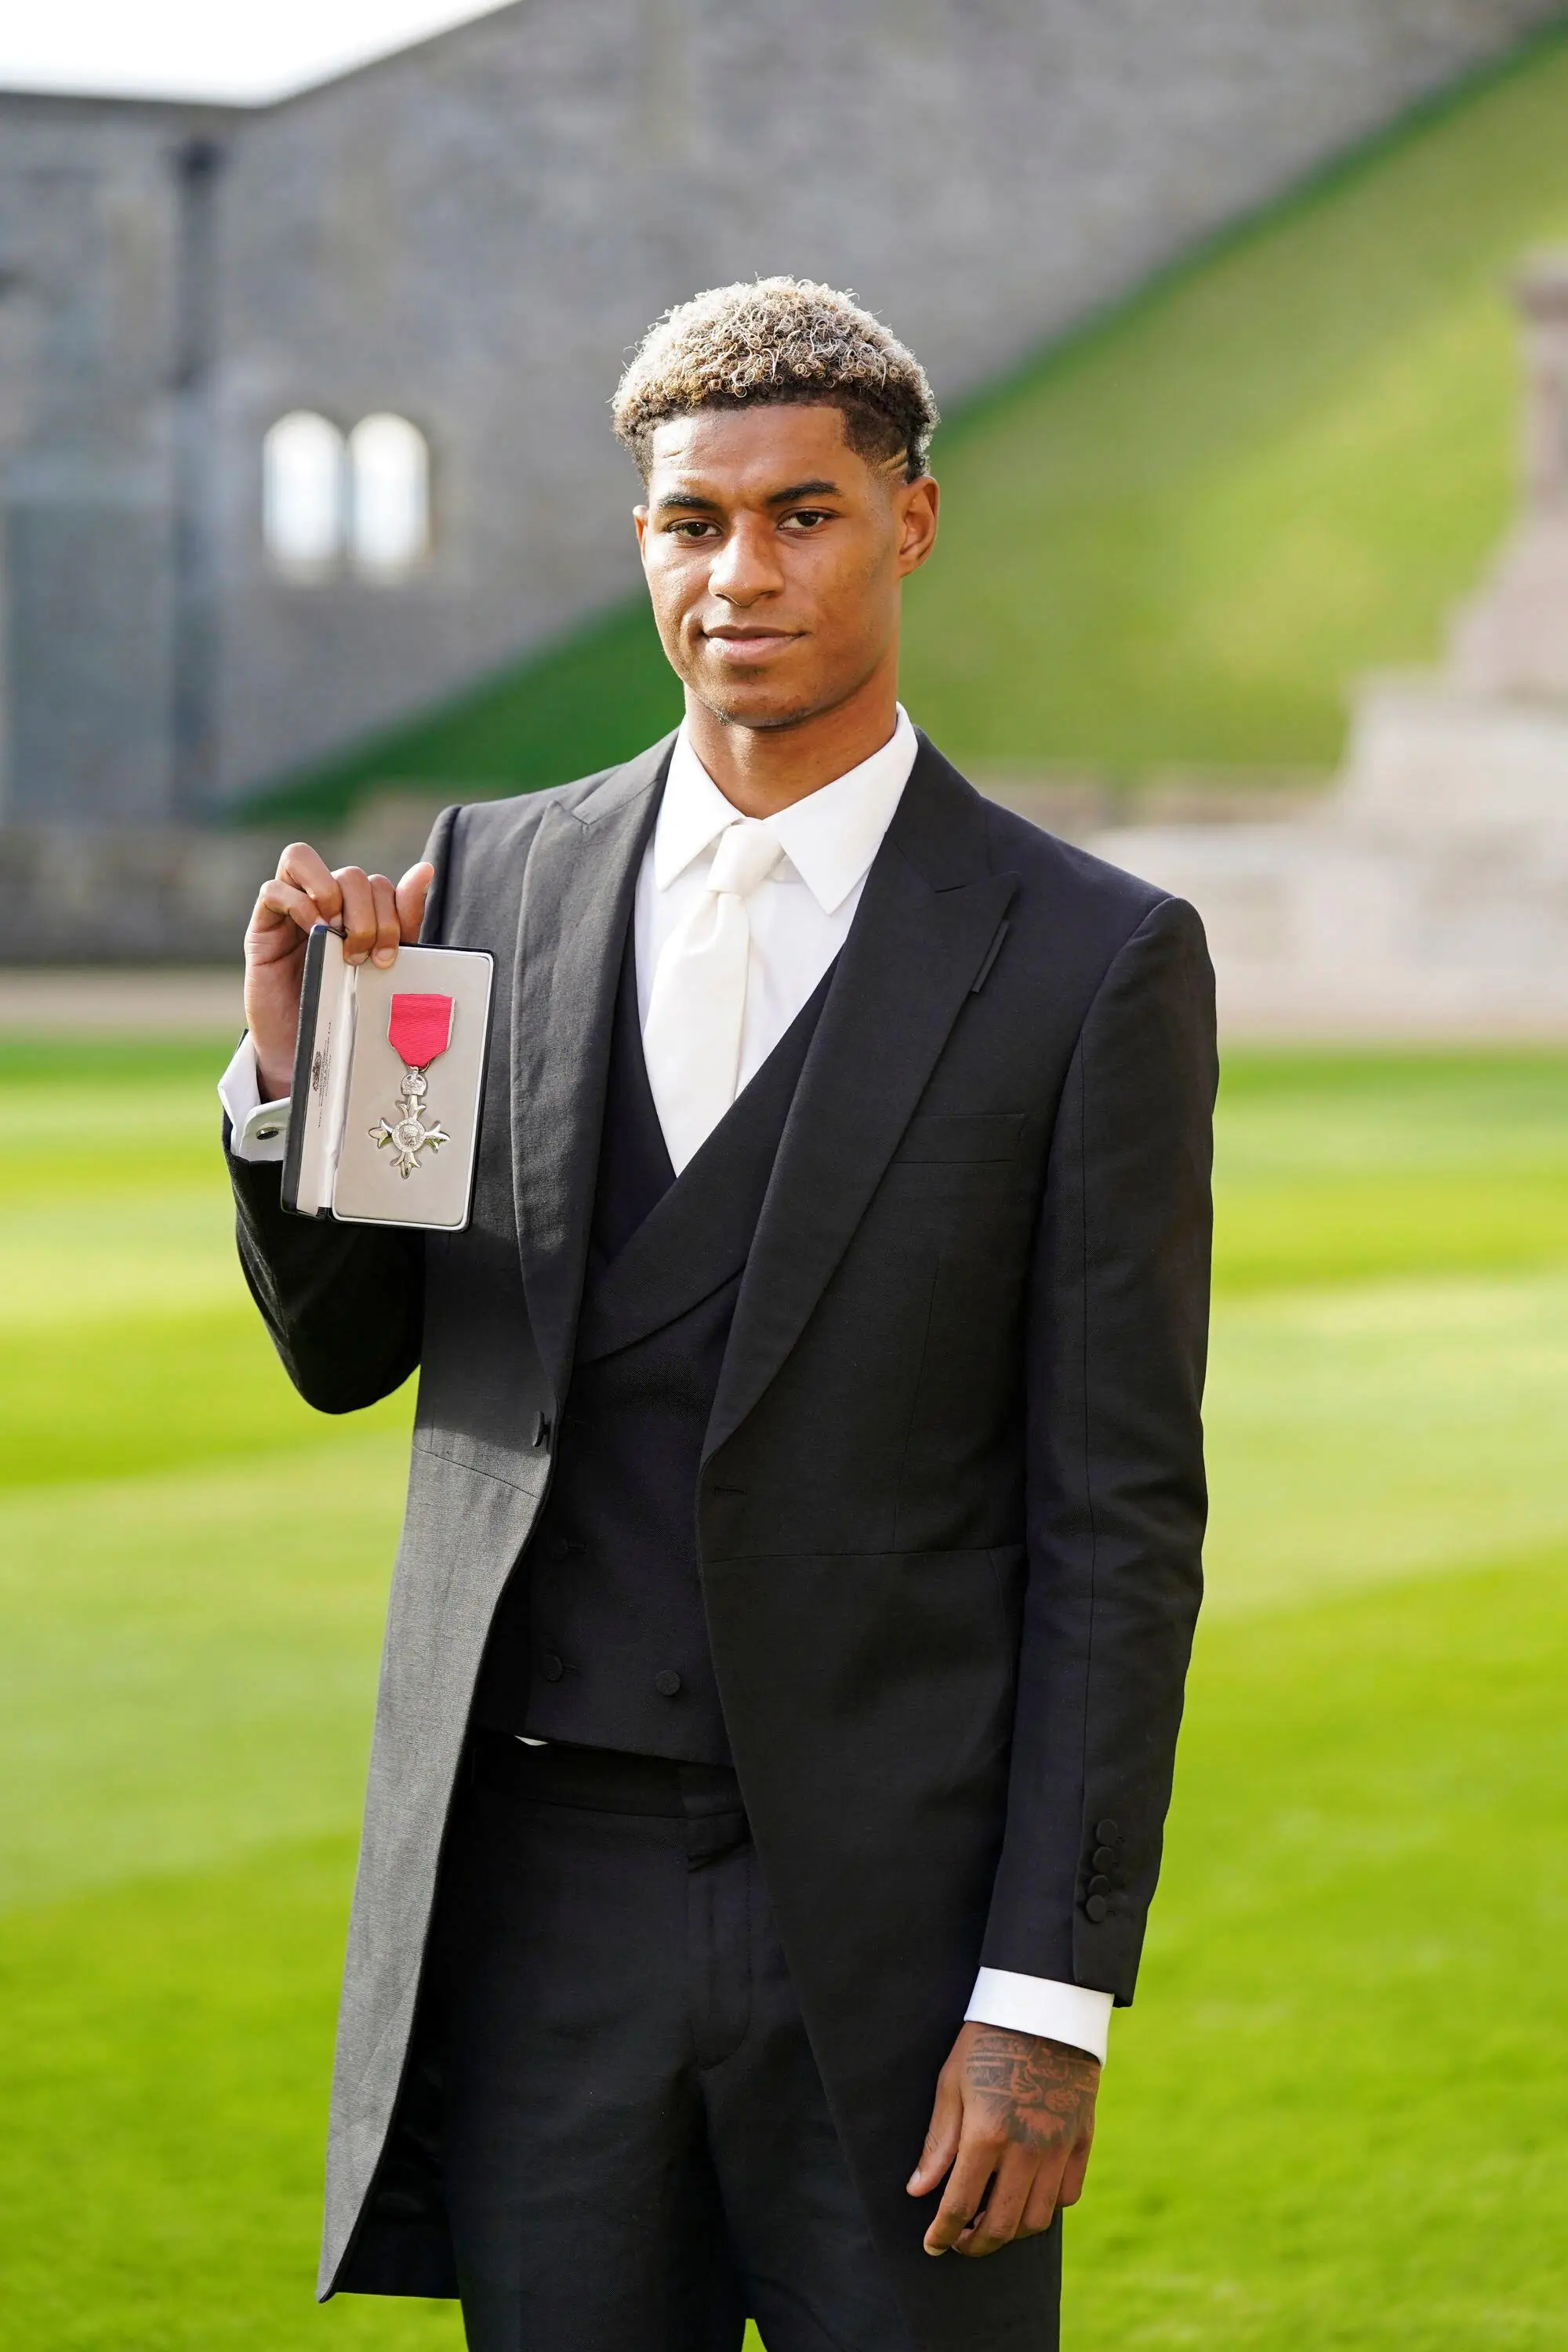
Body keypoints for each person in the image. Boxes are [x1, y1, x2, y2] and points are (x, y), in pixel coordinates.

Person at [221, 277, 1215, 2352]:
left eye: (803, 515)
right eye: (693, 522)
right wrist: (284, 1095)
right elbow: (352, 1354)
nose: (740, 573)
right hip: (539, 1907)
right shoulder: (491, 880)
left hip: (892, 1917)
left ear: (911, 523)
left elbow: (1114, 1518)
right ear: (644, 537)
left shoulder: (1091, 957)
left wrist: (1048, 1996)